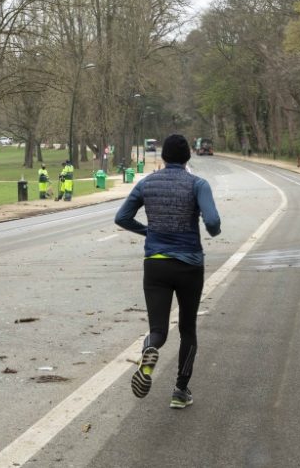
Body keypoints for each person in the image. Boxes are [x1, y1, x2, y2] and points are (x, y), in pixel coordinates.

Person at [113, 133, 221, 409]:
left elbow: (122, 217)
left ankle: (149, 351)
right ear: (187, 157)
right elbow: (212, 221)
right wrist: (212, 230)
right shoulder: (198, 184)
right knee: (188, 329)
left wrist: (148, 231)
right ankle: (180, 390)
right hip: (189, 265)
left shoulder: (147, 183)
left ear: (163, 157)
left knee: (158, 329)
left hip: (156, 265)